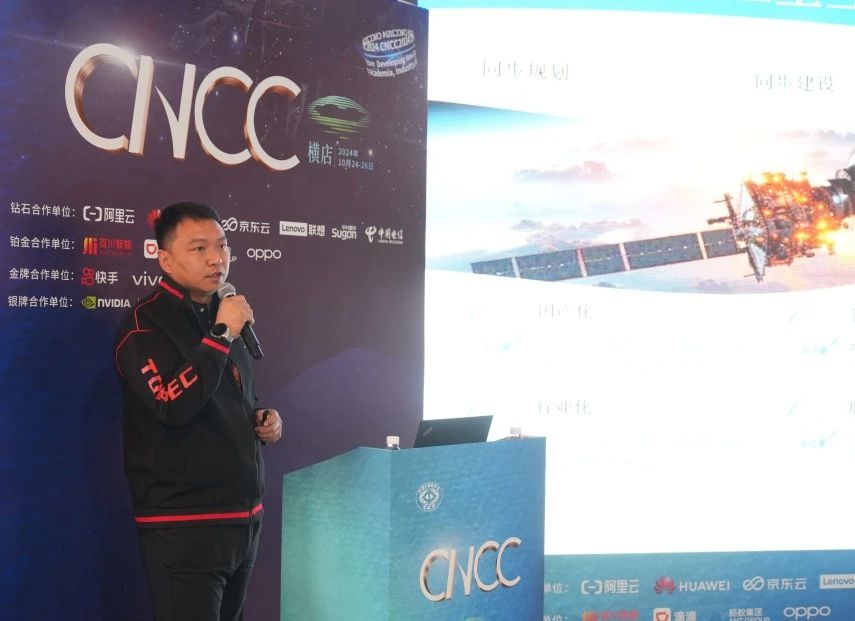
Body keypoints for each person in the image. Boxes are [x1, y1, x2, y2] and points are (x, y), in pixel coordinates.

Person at [114, 201, 282, 620]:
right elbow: (171, 402)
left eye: (222, 246)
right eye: (199, 248)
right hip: (184, 526)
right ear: (165, 260)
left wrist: (261, 419)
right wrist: (222, 335)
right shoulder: (144, 325)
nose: (216, 259)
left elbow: (231, 397)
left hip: (243, 520)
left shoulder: (225, 314)